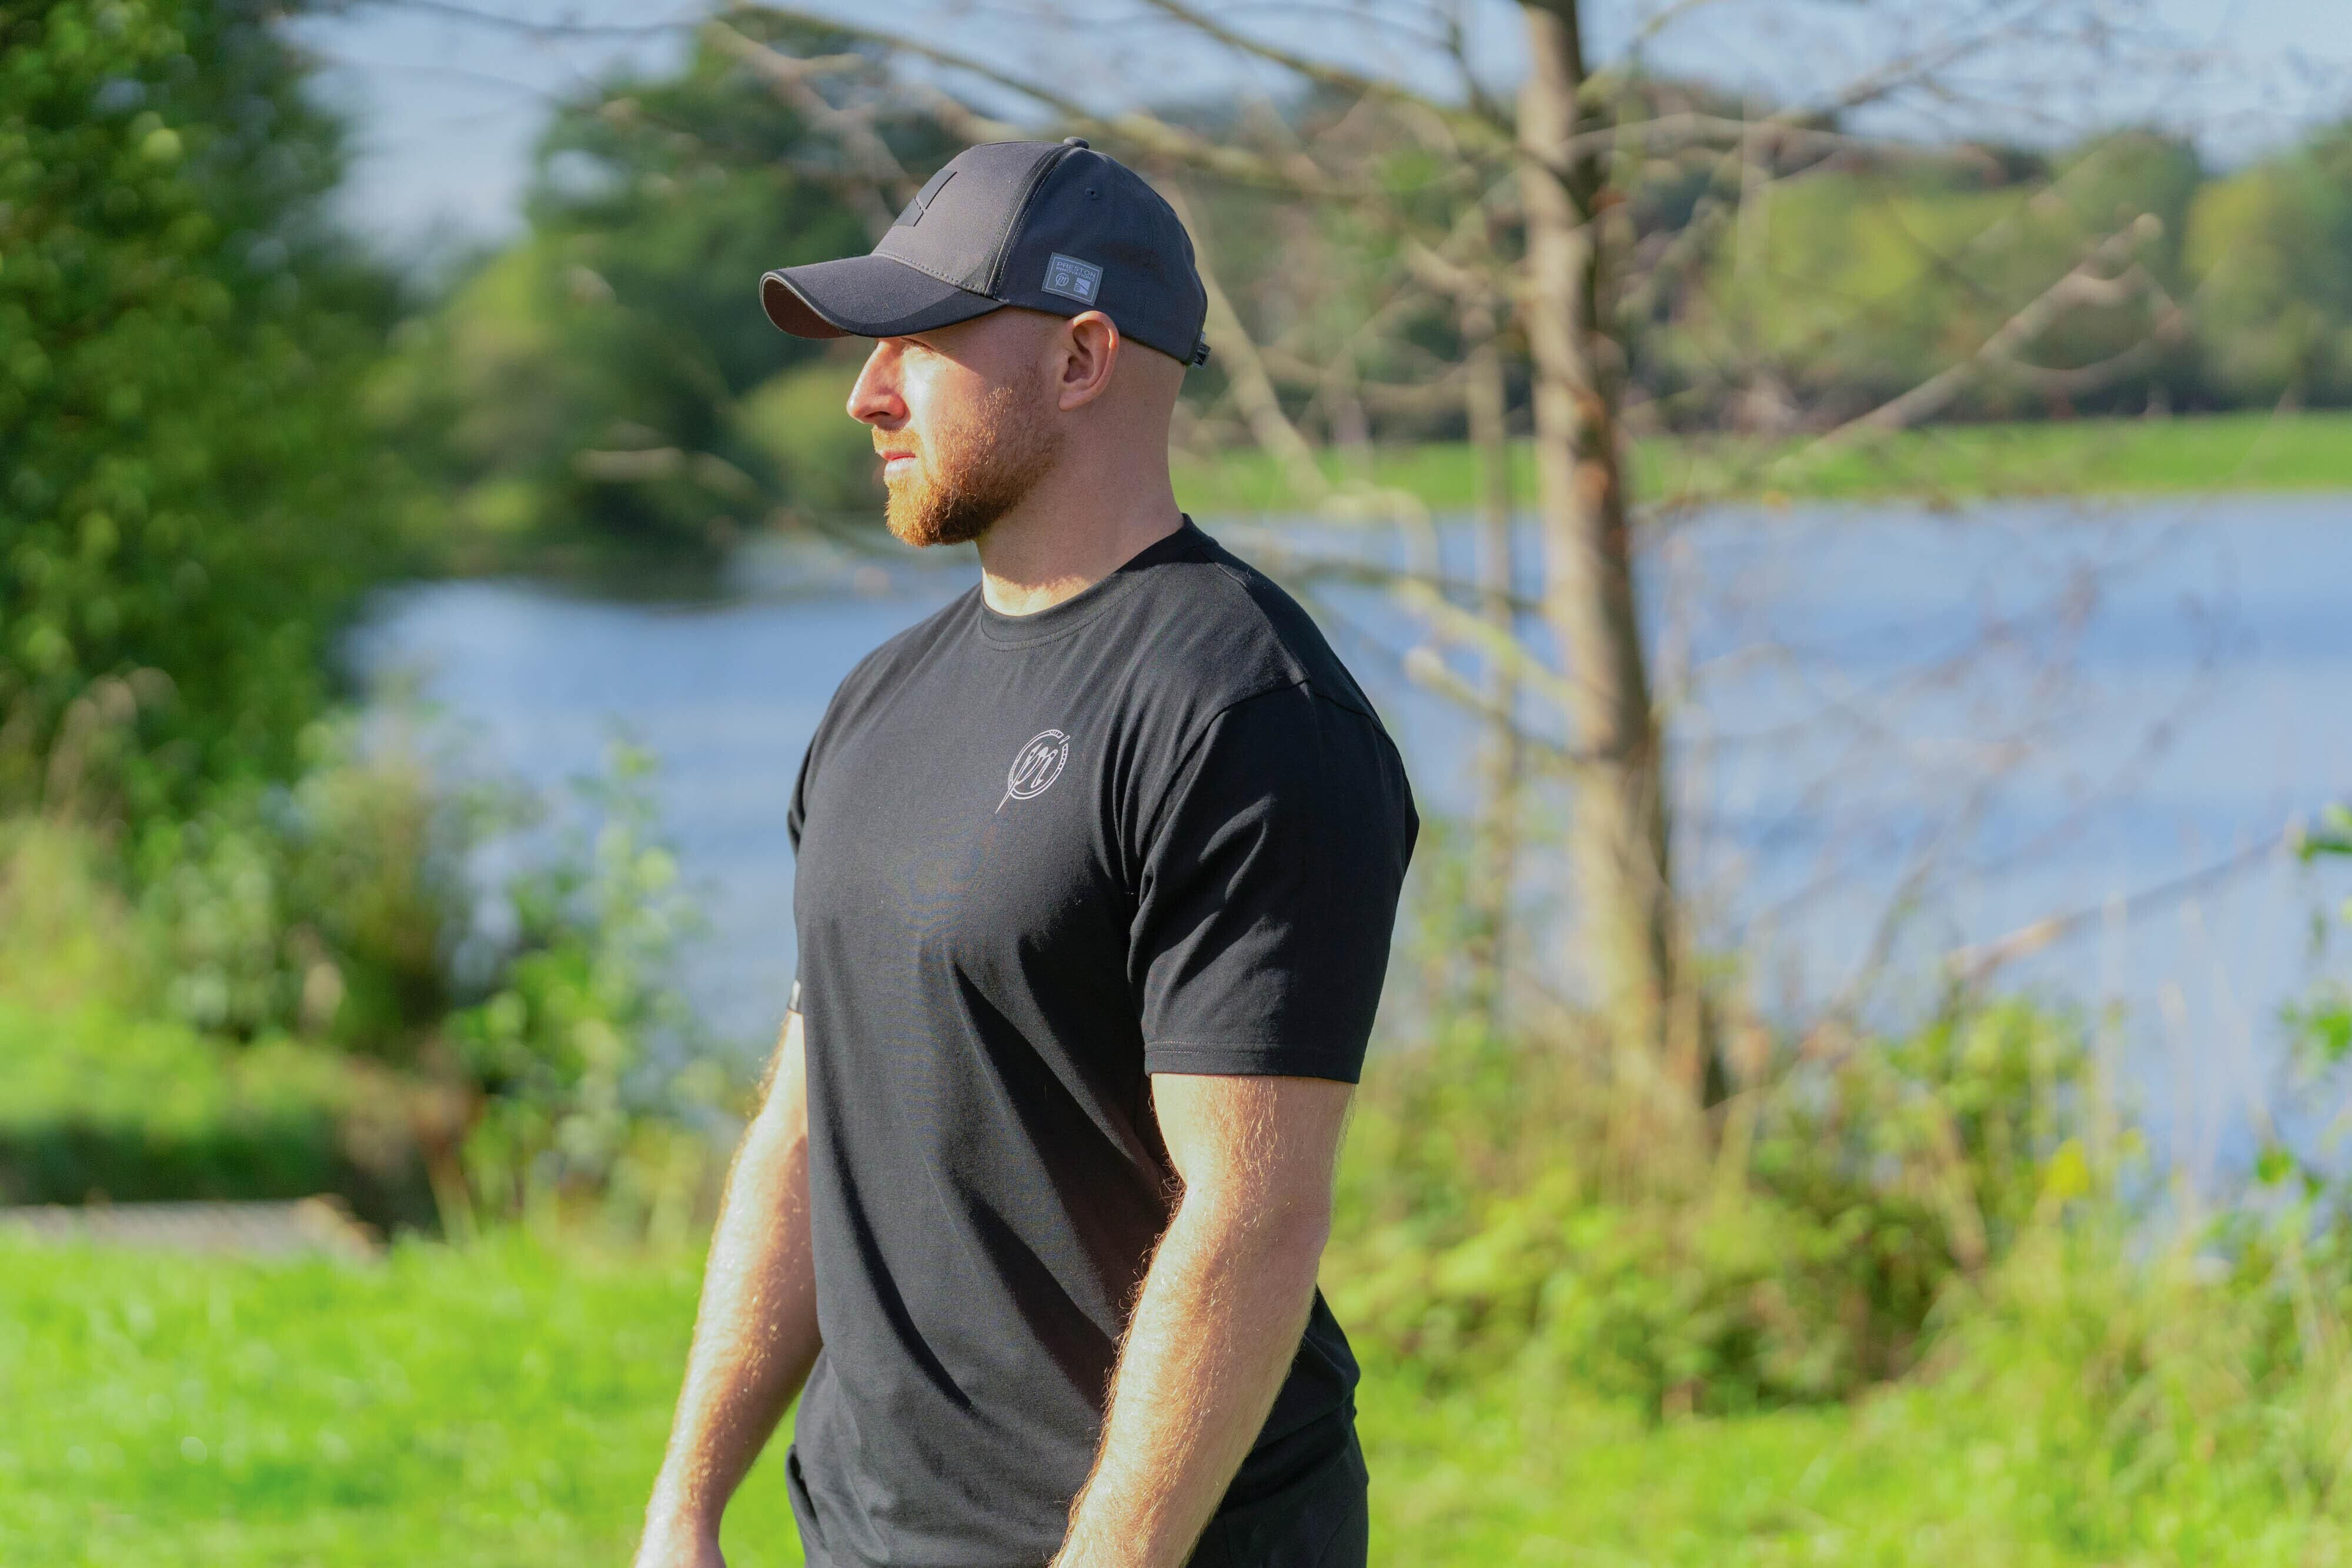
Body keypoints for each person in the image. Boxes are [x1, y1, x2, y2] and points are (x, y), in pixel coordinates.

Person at [632, 138, 1418, 1568]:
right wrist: (685, 1502)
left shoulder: (1246, 713)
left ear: (1079, 357)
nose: (866, 393)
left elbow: (1251, 1212)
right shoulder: (877, 703)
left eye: (919, 344)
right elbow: (805, 1124)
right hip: (863, 1533)